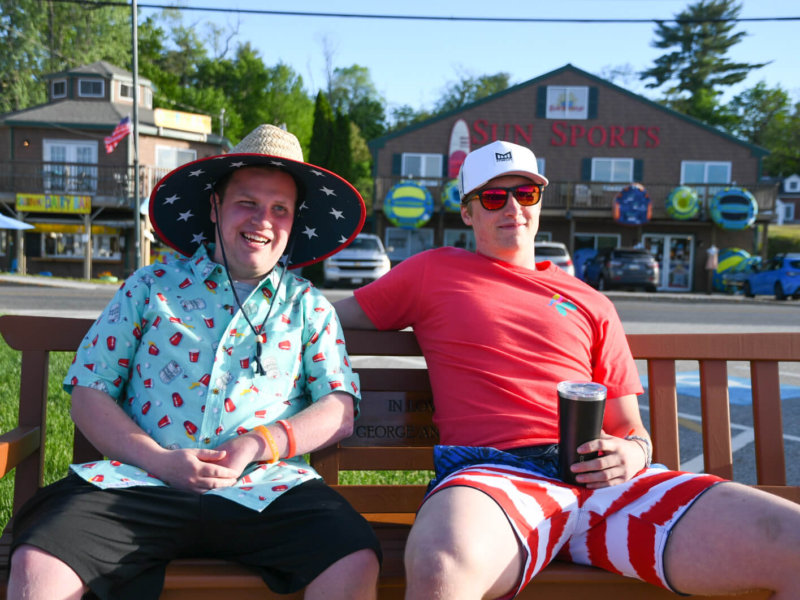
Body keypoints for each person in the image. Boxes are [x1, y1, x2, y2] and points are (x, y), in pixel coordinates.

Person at [334, 140, 800, 600]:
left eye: (526, 193)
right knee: (442, 567)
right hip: (495, 477)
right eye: (494, 197)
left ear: (539, 201)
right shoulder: (431, 271)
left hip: (607, 485)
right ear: (468, 212)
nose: (512, 206)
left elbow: (630, 428)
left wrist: (632, 455)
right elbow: (326, 314)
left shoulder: (590, 300)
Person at [9, 124, 381, 600]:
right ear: (215, 206)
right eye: (247, 202)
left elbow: (339, 408)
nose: (263, 220)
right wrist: (161, 461)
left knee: (351, 555)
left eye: (280, 209)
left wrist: (256, 444)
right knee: (41, 560)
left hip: (263, 491)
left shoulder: (308, 306)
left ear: (293, 221)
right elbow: (89, 393)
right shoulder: (150, 287)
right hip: (139, 484)